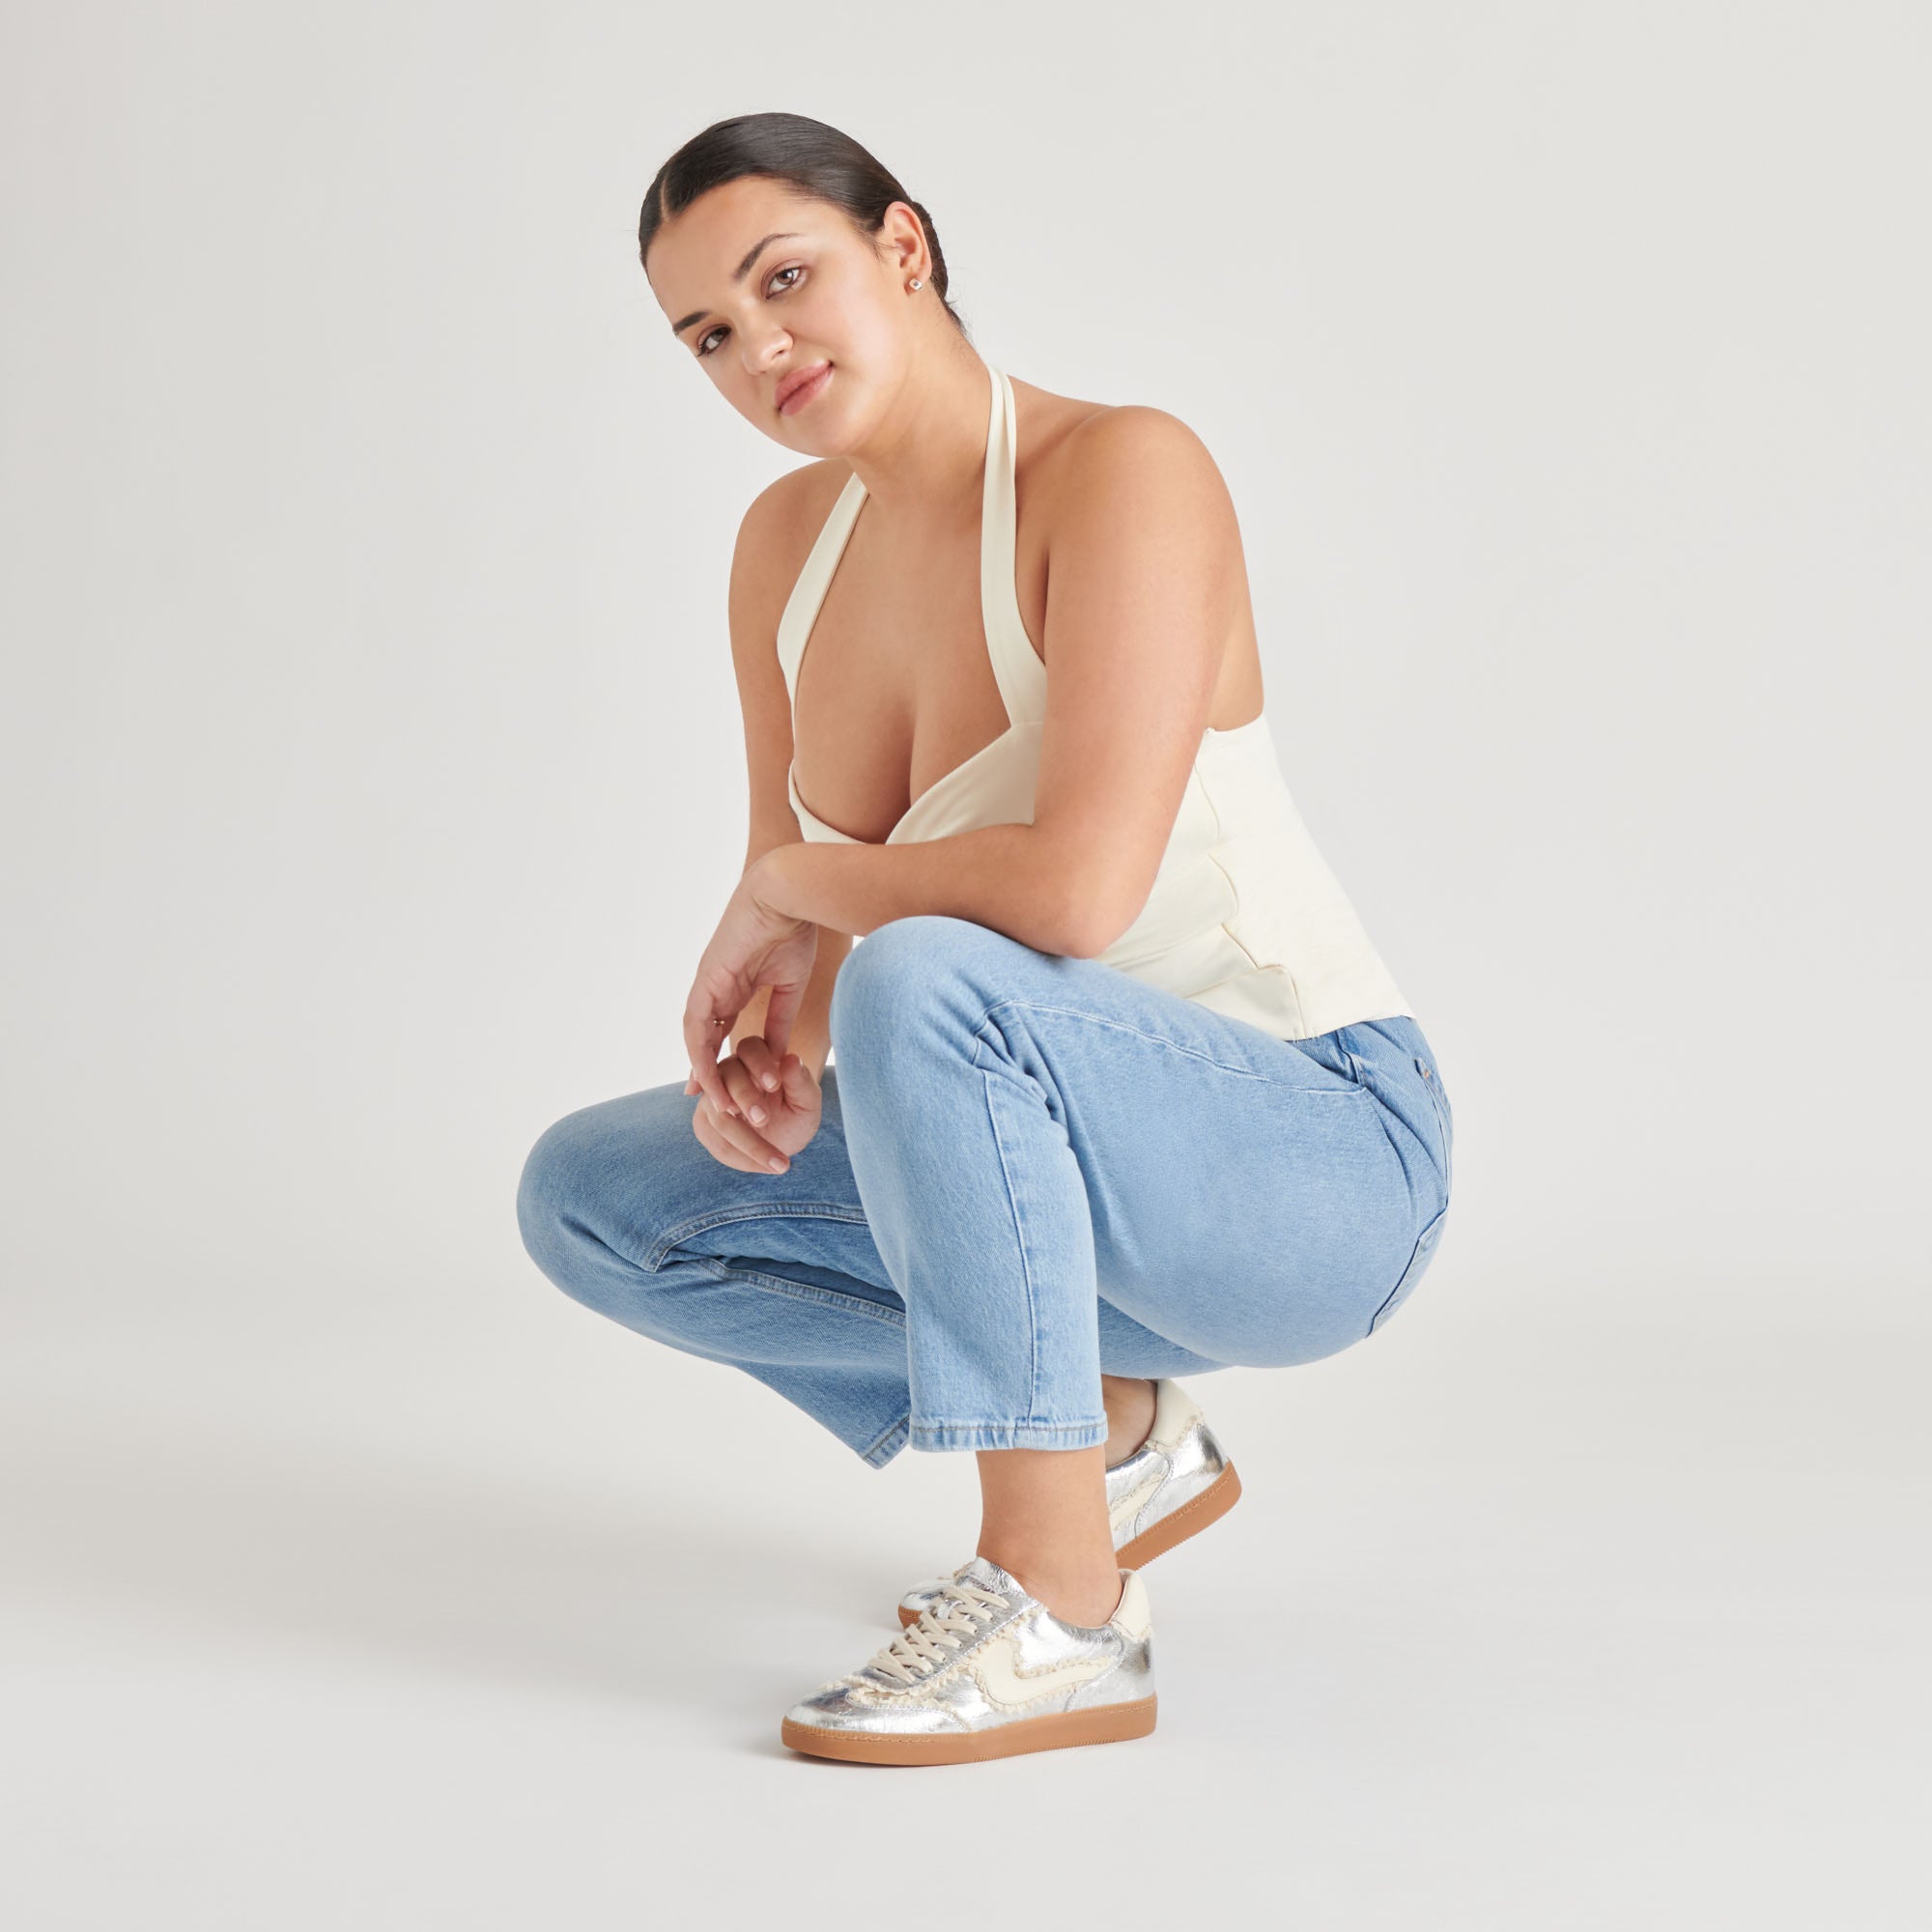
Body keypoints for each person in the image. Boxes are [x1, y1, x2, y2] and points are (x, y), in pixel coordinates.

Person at [516, 111, 1455, 1768]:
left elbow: (1071, 896)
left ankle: (1059, 1608)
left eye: (783, 280)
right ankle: (1114, 1432)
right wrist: (776, 1051)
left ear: (905, 246)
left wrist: (800, 893)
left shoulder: (1123, 471)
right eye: (709, 335)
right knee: (597, 1199)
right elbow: (816, 919)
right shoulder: (781, 555)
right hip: (1059, 1172)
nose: (759, 350)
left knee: (935, 972)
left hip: (1319, 1158)